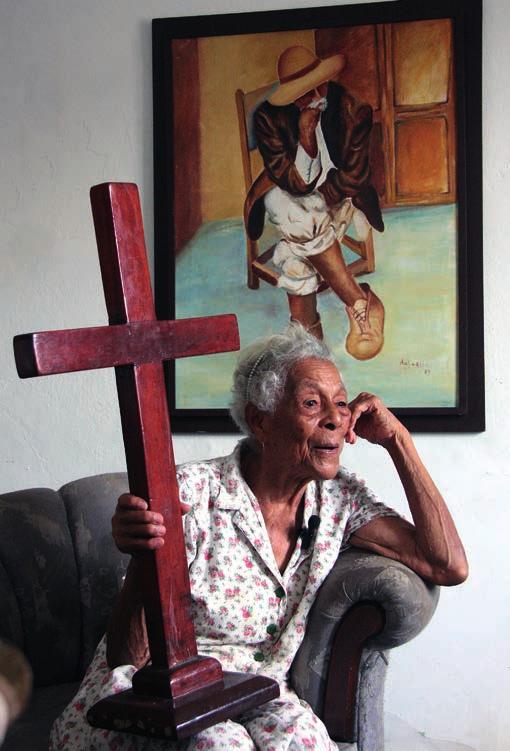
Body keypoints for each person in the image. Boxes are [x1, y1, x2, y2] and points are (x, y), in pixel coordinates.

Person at [50, 325, 467, 750]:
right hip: (157, 691)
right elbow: (130, 656)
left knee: (305, 739)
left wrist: (398, 440)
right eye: (311, 404)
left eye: (341, 403)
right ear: (261, 421)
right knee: (220, 744)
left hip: (258, 690)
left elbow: (448, 565)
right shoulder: (191, 494)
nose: (335, 418)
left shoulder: (339, 498)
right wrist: (144, 555)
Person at [246, 46, 385, 360]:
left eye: (311, 89)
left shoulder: (353, 109)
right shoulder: (268, 118)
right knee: (287, 207)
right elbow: (288, 179)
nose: (305, 100)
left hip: (338, 195)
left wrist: (317, 201)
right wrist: (306, 137)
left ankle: (307, 341)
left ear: (323, 82)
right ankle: (358, 299)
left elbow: (353, 177)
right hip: (291, 188)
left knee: (296, 239)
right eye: (297, 94)